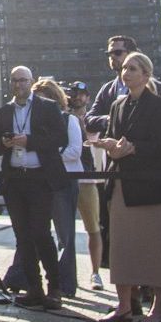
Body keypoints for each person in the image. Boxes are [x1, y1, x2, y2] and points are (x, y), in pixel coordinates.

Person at [92, 53, 161, 322]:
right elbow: (114, 136)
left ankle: (159, 309)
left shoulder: (160, 106)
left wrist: (134, 147)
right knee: (122, 246)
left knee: (155, 247)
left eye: (133, 68)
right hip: (121, 183)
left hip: (150, 186)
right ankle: (125, 306)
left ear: (146, 74)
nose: (126, 72)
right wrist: (110, 145)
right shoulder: (118, 105)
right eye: (125, 68)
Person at [0, 65, 69, 309]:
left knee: (41, 233)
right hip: (15, 180)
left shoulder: (47, 107)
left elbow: (61, 138)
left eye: (23, 80)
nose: (18, 85)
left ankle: (54, 287)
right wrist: (5, 143)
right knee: (22, 236)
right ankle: (34, 288)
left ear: (31, 81)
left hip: (39, 179)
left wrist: (30, 141)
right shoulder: (4, 112)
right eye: (14, 81)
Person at [4, 79, 84, 298]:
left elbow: (74, 151)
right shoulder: (27, 120)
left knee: (64, 235)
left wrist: (45, 154)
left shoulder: (68, 120)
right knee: (32, 232)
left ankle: (64, 282)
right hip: (37, 180)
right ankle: (22, 277)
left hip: (61, 181)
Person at [65, 81, 106, 291]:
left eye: (82, 94)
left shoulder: (93, 119)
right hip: (68, 177)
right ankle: (67, 271)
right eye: (74, 94)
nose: (78, 98)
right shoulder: (65, 117)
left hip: (89, 178)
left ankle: (95, 272)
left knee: (93, 227)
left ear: (88, 98)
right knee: (65, 228)